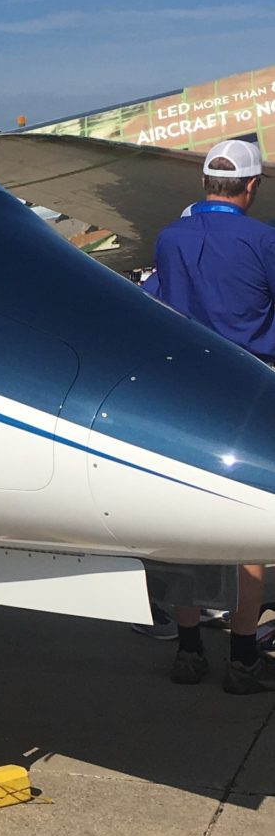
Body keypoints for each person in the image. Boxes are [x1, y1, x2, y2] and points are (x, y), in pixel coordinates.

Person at [145, 138, 275, 694]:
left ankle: (191, 650)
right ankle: (243, 657)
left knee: (188, 521)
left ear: (204, 184)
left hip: (187, 391)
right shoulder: (264, 239)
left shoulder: (170, 237)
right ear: (251, 187)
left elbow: (155, 297)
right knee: (247, 528)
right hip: (248, 389)